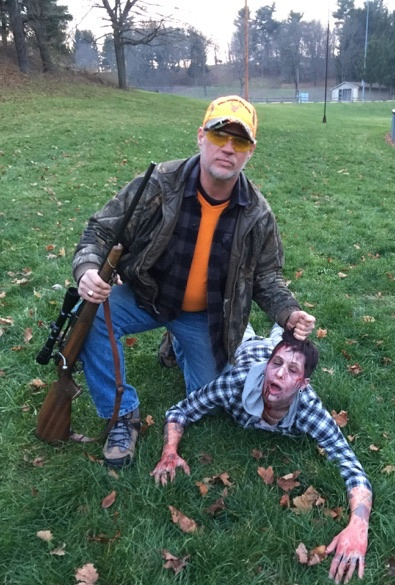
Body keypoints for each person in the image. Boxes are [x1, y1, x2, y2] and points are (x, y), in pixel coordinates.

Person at [72, 95, 315, 468]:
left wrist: (288, 313)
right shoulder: (157, 184)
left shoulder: (257, 214)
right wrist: (88, 269)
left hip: (203, 314)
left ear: (250, 152)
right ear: (201, 136)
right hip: (146, 295)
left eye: (240, 141)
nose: (228, 148)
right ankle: (122, 415)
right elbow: (101, 230)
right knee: (89, 315)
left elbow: (267, 277)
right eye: (219, 136)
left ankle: (177, 340)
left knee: (209, 400)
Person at [151, 326, 372, 585]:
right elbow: (181, 411)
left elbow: (350, 465)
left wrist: (359, 526)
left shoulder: (308, 408)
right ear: (268, 365)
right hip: (248, 349)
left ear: (303, 384)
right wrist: (169, 452)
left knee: (285, 333)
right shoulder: (237, 382)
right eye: (276, 364)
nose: (279, 373)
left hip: (270, 350)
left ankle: (283, 326)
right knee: (228, 325)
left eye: (293, 371)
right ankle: (175, 335)